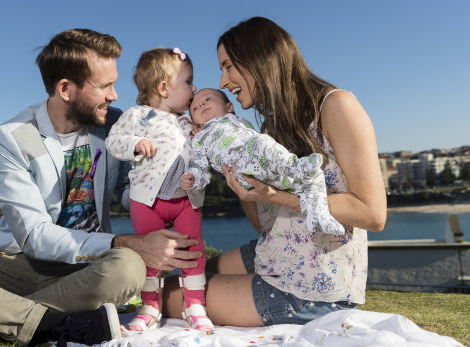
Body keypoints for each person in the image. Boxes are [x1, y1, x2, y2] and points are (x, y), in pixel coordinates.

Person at [0, 29, 202, 347]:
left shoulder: (115, 123)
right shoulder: (10, 138)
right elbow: (35, 236)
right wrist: (127, 240)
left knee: (129, 267)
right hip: (14, 263)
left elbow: (127, 186)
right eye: (104, 86)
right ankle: (50, 324)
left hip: (87, 268)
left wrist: (169, 191)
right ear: (65, 88)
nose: (114, 95)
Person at [163, 17, 387, 328]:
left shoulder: (336, 105)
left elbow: (372, 213)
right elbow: (263, 224)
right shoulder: (269, 130)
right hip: (275, 253)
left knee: (171, 292)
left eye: (228, 66)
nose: (224, 81)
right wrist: (236, 172)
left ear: (260, 58)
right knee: (190, 271)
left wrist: (277, 195)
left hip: (311, 287)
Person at [106, 48, 213, 332]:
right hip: (146, 200)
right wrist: (135, 143)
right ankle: (149, 307)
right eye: (189, 82)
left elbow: (210, 144)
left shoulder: (190, 119)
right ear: (164, 88)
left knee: (193, 250)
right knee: (149, 258)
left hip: (186, 199)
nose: (194, 88)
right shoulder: (137, 115)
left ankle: (195, 305)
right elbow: (113, 141)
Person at [181, 88, 345, 235]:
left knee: (310, 179)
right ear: (195, 121)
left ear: (229, 107)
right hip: (243, 173)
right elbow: (200, 165)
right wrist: (194, 178)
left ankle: (318, 217)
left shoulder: (240, 122)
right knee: (262, 142)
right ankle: (295, 167)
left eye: (208, 99)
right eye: (195, 107)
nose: (201, 103)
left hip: (264, 167)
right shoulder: (199, 139)